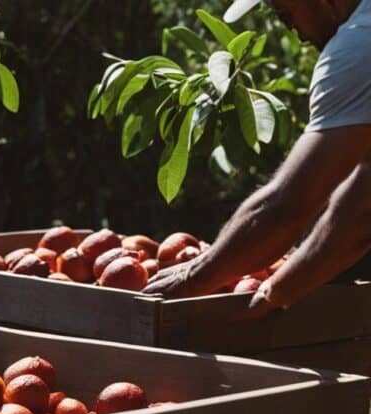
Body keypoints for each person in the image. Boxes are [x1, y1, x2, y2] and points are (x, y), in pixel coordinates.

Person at [143, 0, 371, 313]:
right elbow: (361, 210)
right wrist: (278, 290)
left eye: (287, 16)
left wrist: (192, 278)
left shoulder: (359, 47)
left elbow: (284, 209)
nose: (298, 35)